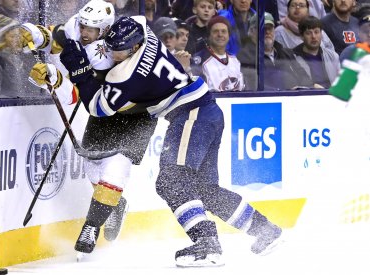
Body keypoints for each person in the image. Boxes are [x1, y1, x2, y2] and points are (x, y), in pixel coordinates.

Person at [53, 15, 284, 267]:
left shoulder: (127, 75)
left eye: (118, 50)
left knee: (171, 180)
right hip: (207, 111)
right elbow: (135, 19)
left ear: (133, 48)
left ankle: (206, 244)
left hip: (190, 114)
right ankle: (265, 230)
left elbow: (98, 107)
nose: (112, 52)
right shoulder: (144, 31)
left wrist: (78, 68)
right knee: (204, 190)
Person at [27, 0, 150, 255]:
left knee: (115, 170)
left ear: (105, 31)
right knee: (93, 167)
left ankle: (90, 228)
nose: (84, 32)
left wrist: (55, 77)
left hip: (136, 113)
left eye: (91, 30)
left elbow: (75, 95)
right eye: (83, 26)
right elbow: (59, 36)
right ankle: (115, 205)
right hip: (103, 109)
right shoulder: (85, 31)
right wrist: (36, 34)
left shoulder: (110, 52)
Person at [237, 12, 314, 90]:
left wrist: (307, 88)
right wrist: (284, 92)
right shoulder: (244, 57)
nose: (267, 32)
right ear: (252, 32)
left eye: (270, 28)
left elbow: (305, 78)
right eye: (263, 28)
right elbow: (252, 85)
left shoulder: (286, 53)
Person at [191, 15, 244, 90]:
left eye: (223, 31)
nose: (220, 34)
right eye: (216, 31)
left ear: (229, 36)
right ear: (209, 35)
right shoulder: (200, 60)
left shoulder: (235, 60)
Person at [293, 16, 340, 88]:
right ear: (302, 36)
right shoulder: (292, 57)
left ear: (321, 34)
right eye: (308, 33)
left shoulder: (333, 56)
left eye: (316, 32)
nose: (313, 36)